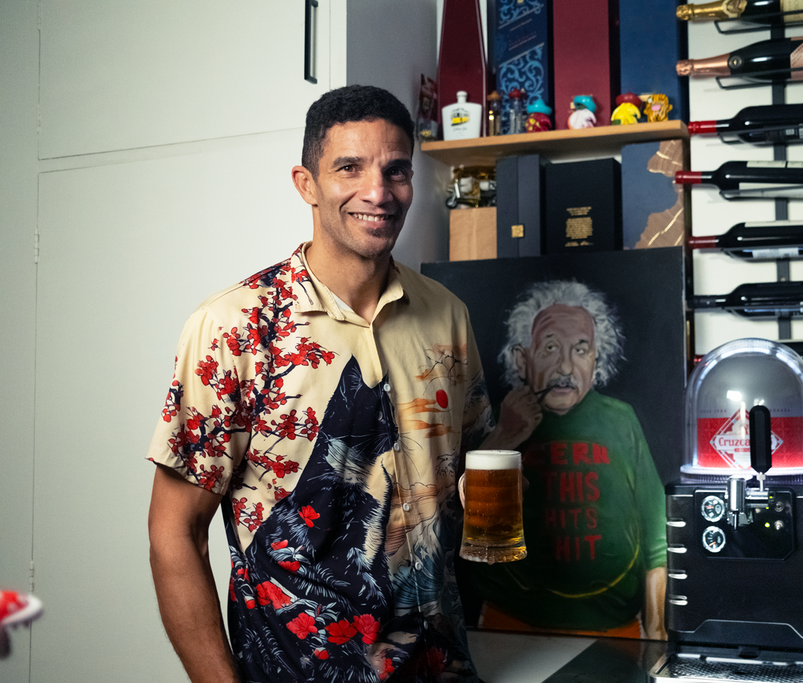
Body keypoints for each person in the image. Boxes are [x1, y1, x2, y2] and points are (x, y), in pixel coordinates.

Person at [146, 85, 496, 683]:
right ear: (306, 183)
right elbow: (173, 532)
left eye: (396, 171)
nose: (378, 192)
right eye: (349, 168)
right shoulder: (234, 326)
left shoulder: (449, 315)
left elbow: (466, 471)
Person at [468, 280, 668, 640]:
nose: (565, 366)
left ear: (596, 359)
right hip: (511, 629)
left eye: (580, 350)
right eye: (549, 348)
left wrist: (656, 633)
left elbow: (657, 543)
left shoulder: (621, 420)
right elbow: (484, 546)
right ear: (522, 359)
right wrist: (505, 438)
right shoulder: (496, 420)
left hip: (617, 630)